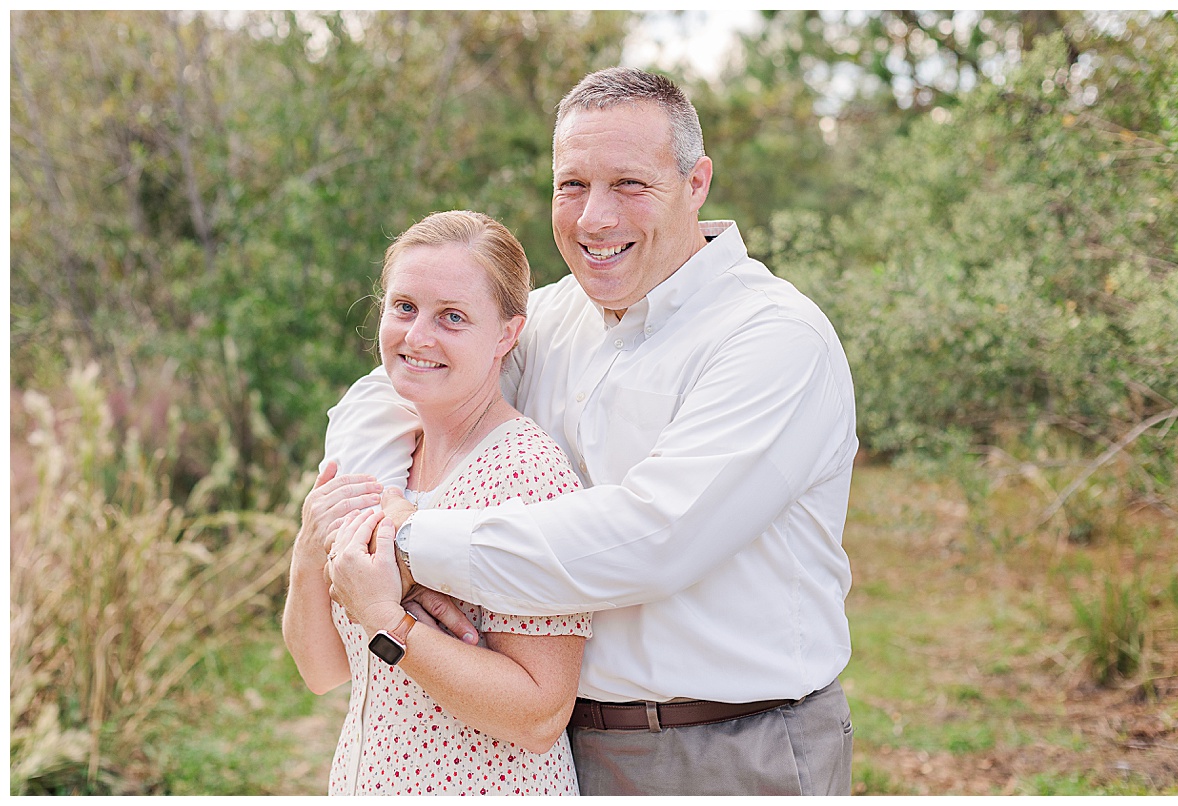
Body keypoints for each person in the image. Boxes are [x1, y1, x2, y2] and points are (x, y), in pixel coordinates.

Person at [329, 67, 858, 796]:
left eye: (629, 185)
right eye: (571, 185)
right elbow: (394, 388)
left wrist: (411, 544)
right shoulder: (554, 318)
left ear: (696, 182)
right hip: (562, 750)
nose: (593, 219)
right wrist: (371, 514)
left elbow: (654, 536)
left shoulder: (772, 338)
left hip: (731, 748)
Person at [283, 210, 592, 795]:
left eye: (452, 317)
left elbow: (539, 717)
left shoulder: (526, 473)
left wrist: (388, 620)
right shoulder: (384, 457)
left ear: (506, 335)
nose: (417, 336)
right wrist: (308, 547)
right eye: (404, 308)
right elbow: (322, 673)